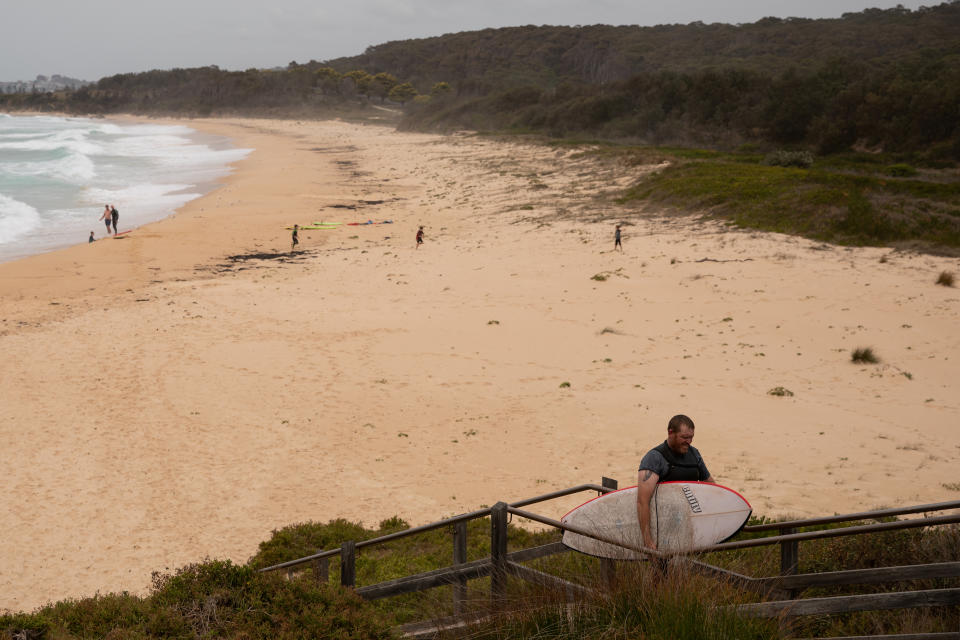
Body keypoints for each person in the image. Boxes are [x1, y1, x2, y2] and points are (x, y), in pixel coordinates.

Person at [636, 414, 714, 550]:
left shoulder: (694, 454)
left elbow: (712, 488)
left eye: (691, 437)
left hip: (689, 527)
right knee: (663, 569)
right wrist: (647, 540)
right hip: (663, 529)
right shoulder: (655, 458)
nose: (689, 442)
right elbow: (642, 502)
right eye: (684, 437)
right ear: (670, 433)